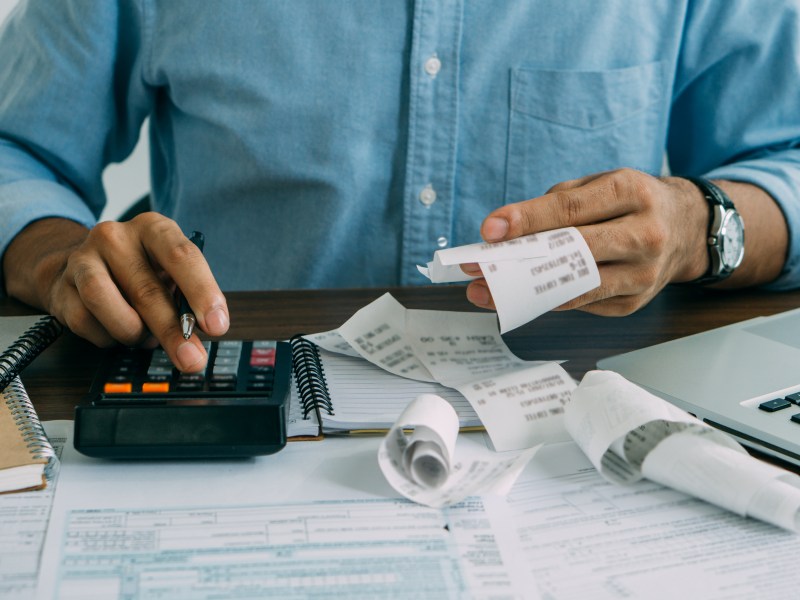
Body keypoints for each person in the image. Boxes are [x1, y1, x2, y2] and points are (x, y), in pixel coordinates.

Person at [0, 1, 798, 373]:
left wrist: (702, 224)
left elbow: (785, 163)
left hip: (584, 433)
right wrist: (60, 258)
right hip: (230, 406)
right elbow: (15, 153)